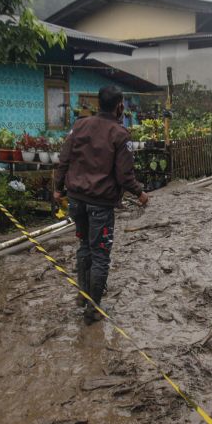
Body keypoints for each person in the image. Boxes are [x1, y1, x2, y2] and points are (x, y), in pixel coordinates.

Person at [53, 85, 150, 324]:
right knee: (100, 256)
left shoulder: (79, 125)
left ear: (98, 104)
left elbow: (64, 158)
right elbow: (124, 176)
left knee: (84, 246)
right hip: (101, 205)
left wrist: (57, 188)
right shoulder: (120, 134)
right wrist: (140, 193)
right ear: (120, 106)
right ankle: (92, 308)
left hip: (76, 200)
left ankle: (83, 295)